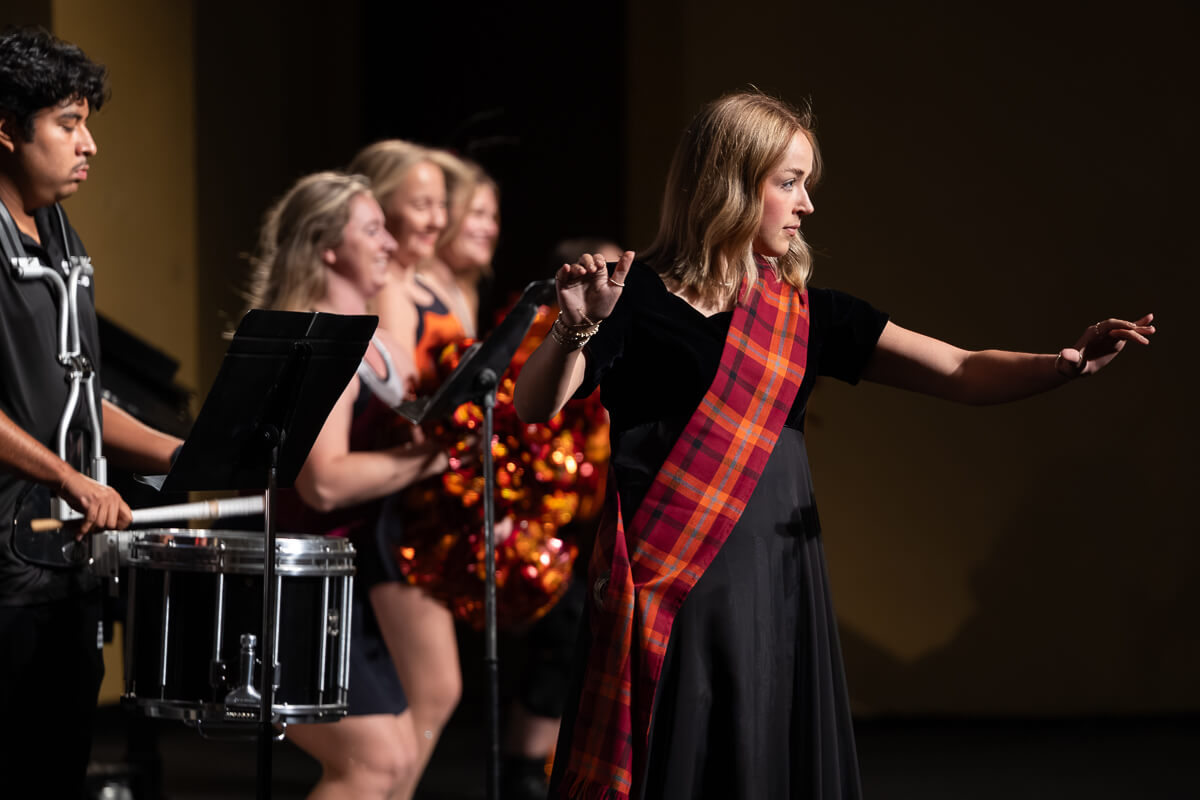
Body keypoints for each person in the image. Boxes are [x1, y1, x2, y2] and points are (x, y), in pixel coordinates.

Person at [513, 90, 1155, 800]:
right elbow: (536, 404)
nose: (806, 205)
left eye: (806, 185)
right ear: (730, 182)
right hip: (672, 587)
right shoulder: (631, 298)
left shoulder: (809, 315)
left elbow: (960, 369)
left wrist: (1064, 364)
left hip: (773, 585)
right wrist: (574, 328)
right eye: (788, 182)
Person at [0, 26, 183, 798]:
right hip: (5, 570)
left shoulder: (63, 236)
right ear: (6, 129)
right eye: (68, 125)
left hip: (66, 566)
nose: (89, 146)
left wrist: (182, 454)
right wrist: (71, 480)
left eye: (88, 124)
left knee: (58, 772)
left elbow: (78, 398)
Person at [242, 171, 453, 799]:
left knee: (392, 757)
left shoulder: (378, 340)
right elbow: (326, 484)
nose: (389, 242)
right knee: (376, 764)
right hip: (294, 579)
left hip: (344, 580)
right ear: (327, 247)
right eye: (371, 230)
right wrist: (433, 461)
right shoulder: (319, 340)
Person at [345, 139, 471, 787]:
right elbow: (407, 398)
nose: (433, 219)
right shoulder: (390, 290)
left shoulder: (433, 282)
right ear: (379, 206)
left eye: (440, 205)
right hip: (396, 509)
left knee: (426, 696)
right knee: (432, 690)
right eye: (417, 204)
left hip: (431, 504)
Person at [424, 149, 501, 335]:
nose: (491, 229)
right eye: (478, 213)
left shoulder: (465, 290)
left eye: (493, 217)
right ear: (445, 215)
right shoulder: (412, 289)